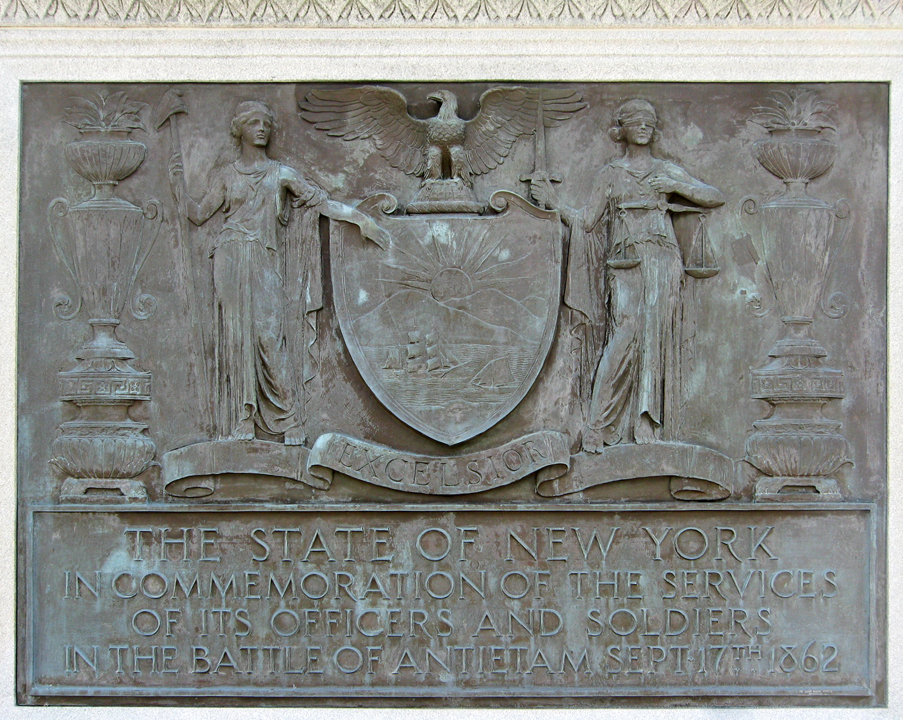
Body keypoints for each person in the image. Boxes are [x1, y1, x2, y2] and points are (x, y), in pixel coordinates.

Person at [533, 99, 724, 451]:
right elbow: (587, 221)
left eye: (649, 121)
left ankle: (647, 424)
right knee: (626, 334)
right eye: (636, 121)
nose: (643, 126)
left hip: (663, 260)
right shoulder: (611, 173)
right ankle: (599, 426)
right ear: (621, 129)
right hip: (627, 261)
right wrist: (552, 202)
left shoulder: (666, 170)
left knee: (656, 337)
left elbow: (714, 196)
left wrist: (677, 187)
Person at [170, 100, 324, 445]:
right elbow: (197, 215)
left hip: (263, 257)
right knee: (237, 337)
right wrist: (177, 187)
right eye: (254, 122)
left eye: (266, 122)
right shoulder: (227, 175)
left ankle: (290, 420)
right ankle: (243, 420)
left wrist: (359, 219)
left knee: (269, 336)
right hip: (229, 255)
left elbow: (318, 201)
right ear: (239, 129)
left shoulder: (281, 173)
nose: (262, 128)